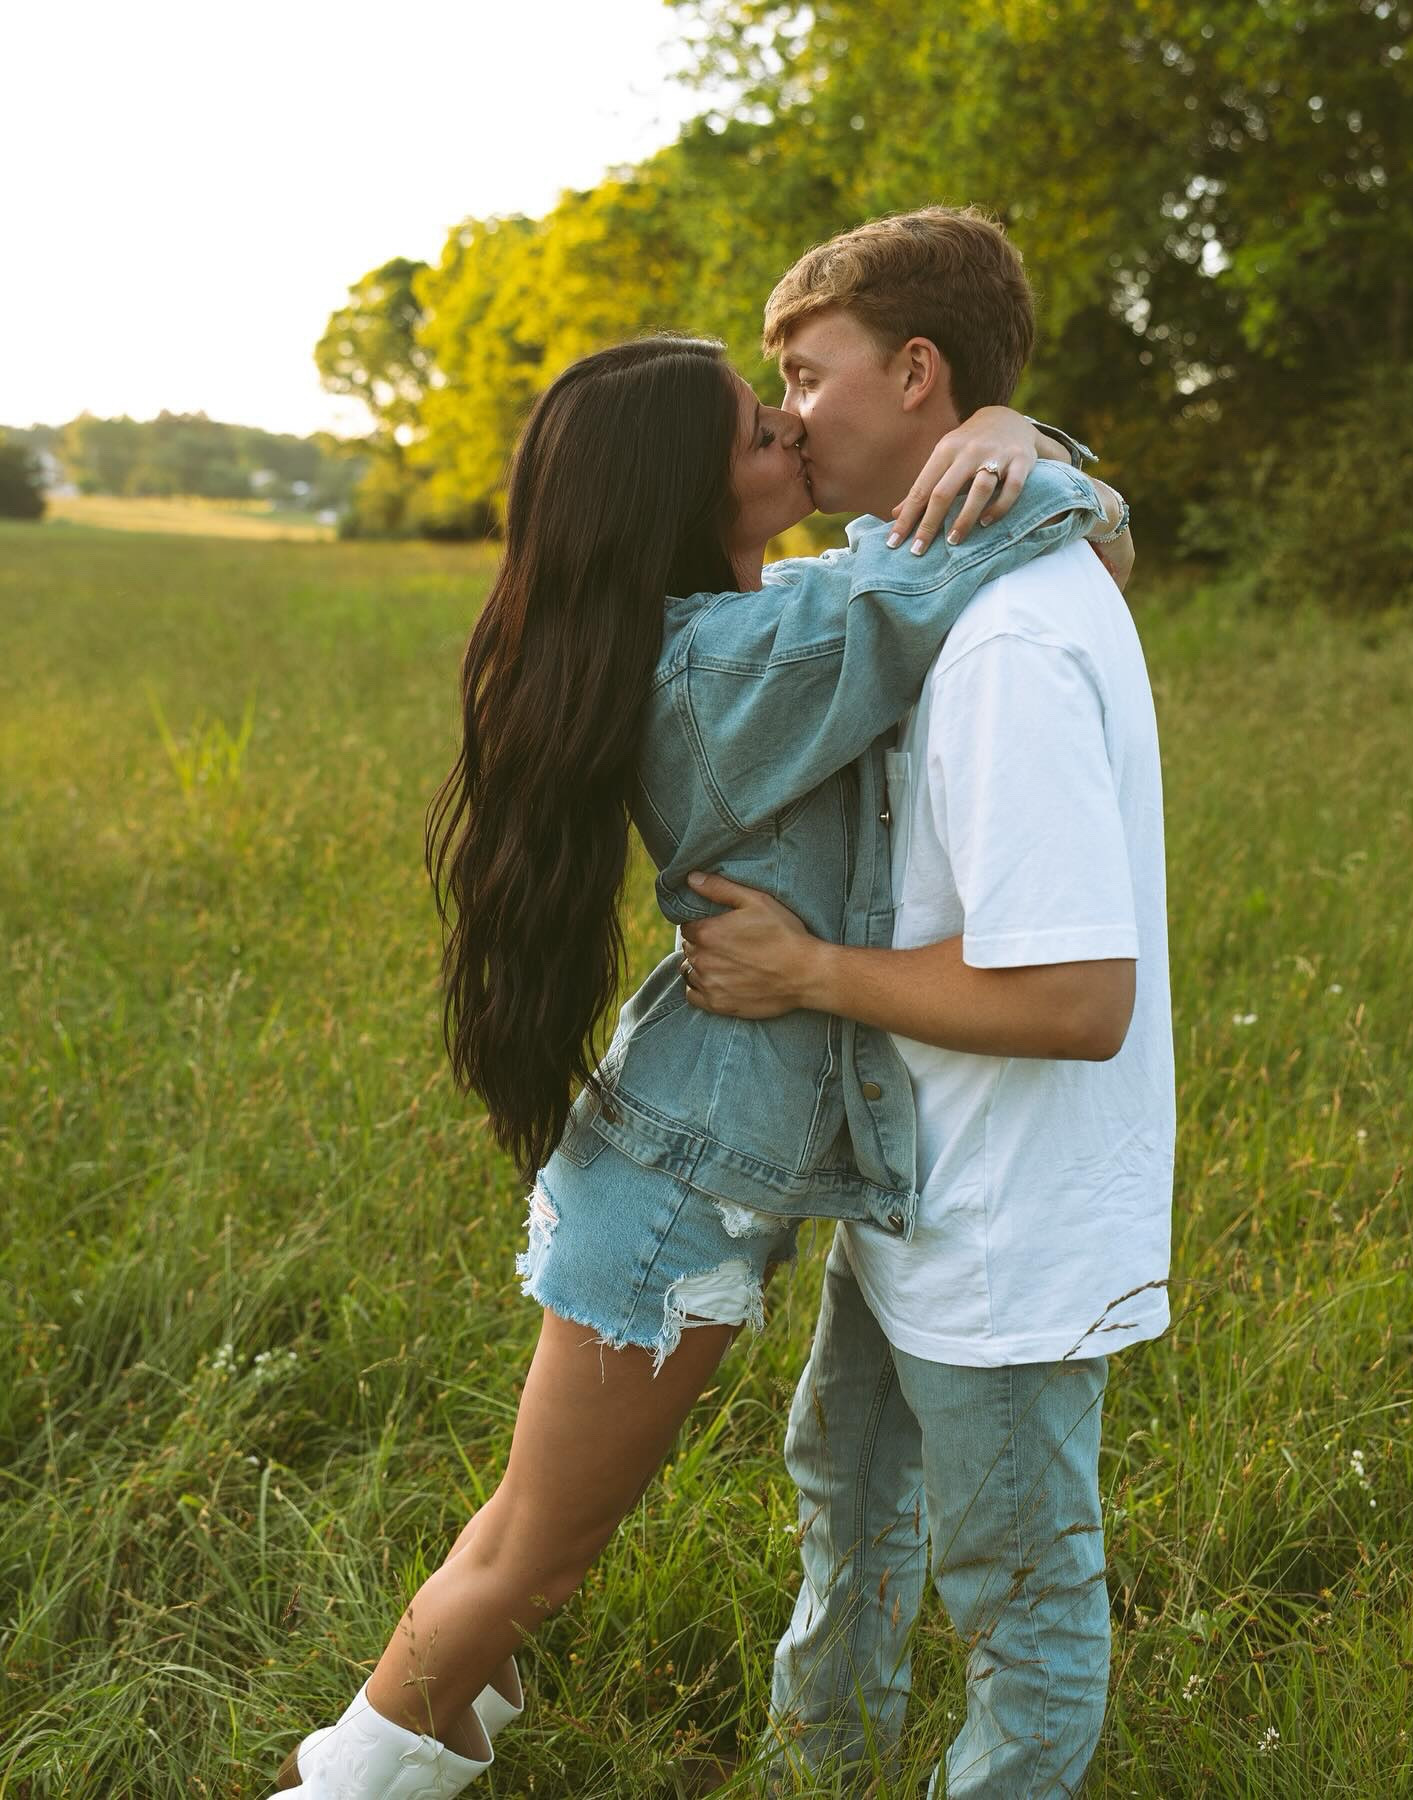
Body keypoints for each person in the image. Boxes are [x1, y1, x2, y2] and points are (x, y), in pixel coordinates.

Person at [267, 263, 1125, 1800]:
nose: (793, 438)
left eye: (788, 404)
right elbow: (992, 545)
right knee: (535, 1558)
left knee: (524, 1536)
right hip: (675, 1201)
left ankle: (427, 1743)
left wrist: (1010, 435)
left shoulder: (743, 623)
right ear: (681, 492)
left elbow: (953, 558)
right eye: (755, 430)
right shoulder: (747, 661)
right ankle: (338, 1783)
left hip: (680, 1159)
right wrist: (1026, 440)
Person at [679, 209, 1170, 1795]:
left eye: (805, 376)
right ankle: (814, 1771)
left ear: (914, 370)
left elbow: (1081, 997)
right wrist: (1051, 451)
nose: (789, 414)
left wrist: (808, 971)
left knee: (1019, 1603)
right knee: (847, 1490)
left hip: (1006, 1222)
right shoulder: (939, 565)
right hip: (915, 1178)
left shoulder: (1012, 640)